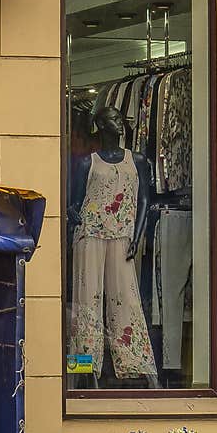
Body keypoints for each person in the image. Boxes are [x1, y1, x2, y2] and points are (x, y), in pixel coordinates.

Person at [67, 105, 159, 388]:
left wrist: (138, 235)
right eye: (112, 119)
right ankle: (83, 370)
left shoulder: (138, 160)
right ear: (100, 125)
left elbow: (145, 200)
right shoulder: (87, 163)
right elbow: (73, 202)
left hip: (123, 236)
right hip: (91, 235)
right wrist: (74, 217)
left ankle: (141, 367)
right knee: (86, 305)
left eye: (120, 118)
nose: (119, 123)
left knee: (127, 302)